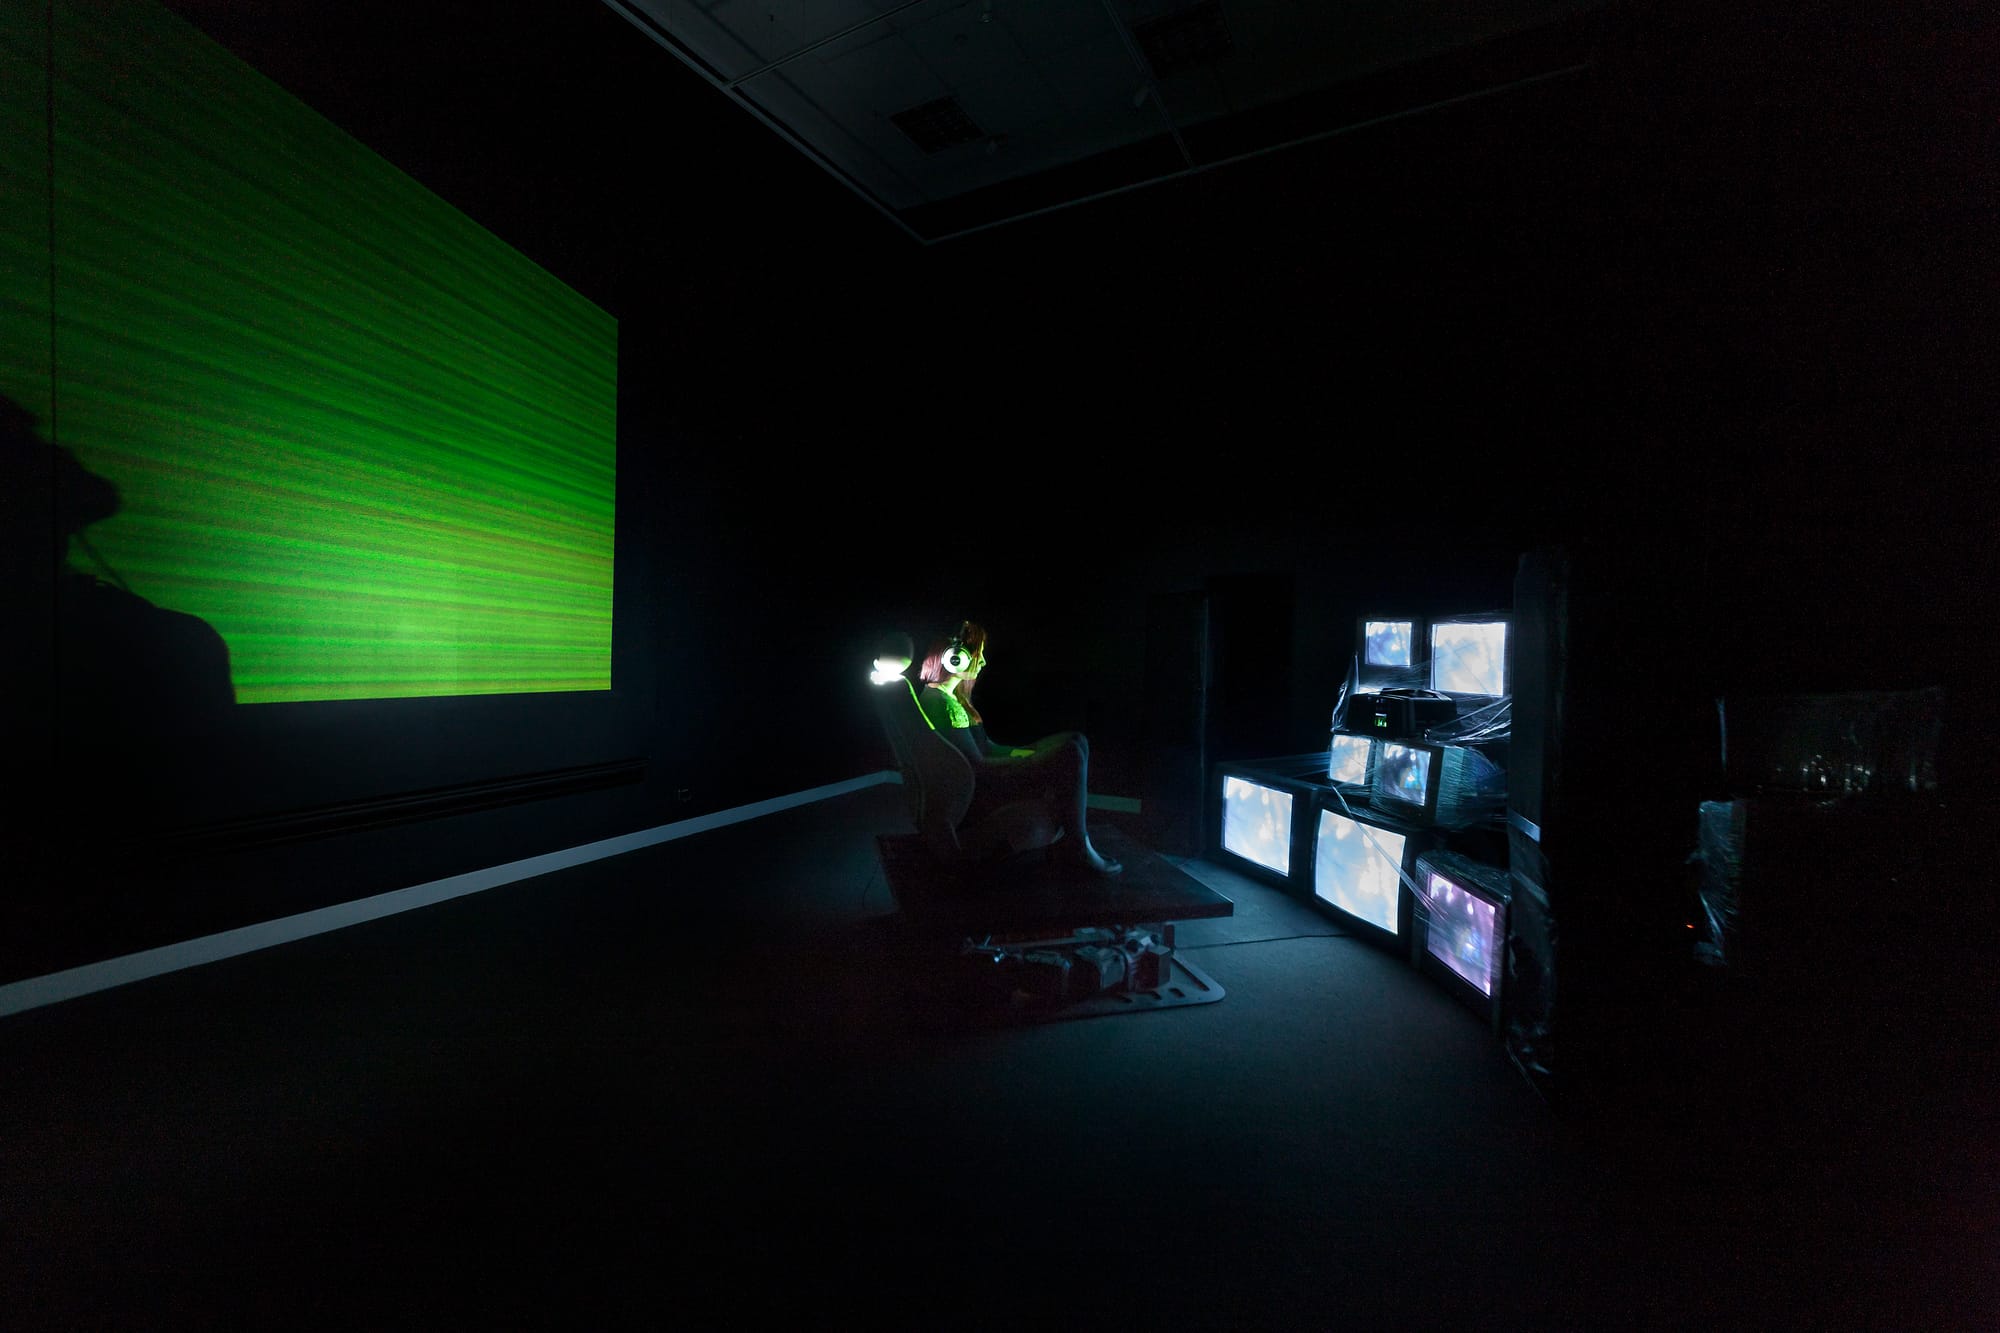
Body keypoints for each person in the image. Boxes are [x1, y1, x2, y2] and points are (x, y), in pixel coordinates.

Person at [915, 620, 1122, 876]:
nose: (982, 663)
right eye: (976, 656)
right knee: (1070, 754)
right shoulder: (944, 705)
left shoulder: (949, 699)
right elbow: (977, 767)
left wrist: (1027, 754)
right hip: (982, 787)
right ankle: (1077, 845)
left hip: (985, 775)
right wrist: (1035, 762)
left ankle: (1074, 840)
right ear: (953, 660)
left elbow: (987, 747)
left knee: (1076, 740)